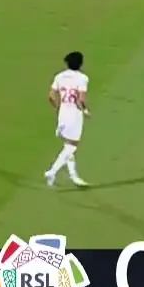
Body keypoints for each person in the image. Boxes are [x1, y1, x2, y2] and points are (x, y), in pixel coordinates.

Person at [44, 51, 90, 188]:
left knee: (68, 146)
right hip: (74, 115)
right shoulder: (82, 78)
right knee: (72, 146)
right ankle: (52, 171)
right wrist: (85, 110)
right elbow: (81, 99)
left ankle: (74, 177)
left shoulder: (59, 76)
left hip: (63, 113)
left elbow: (51, 96)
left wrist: (57, 108)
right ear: (81, 63)